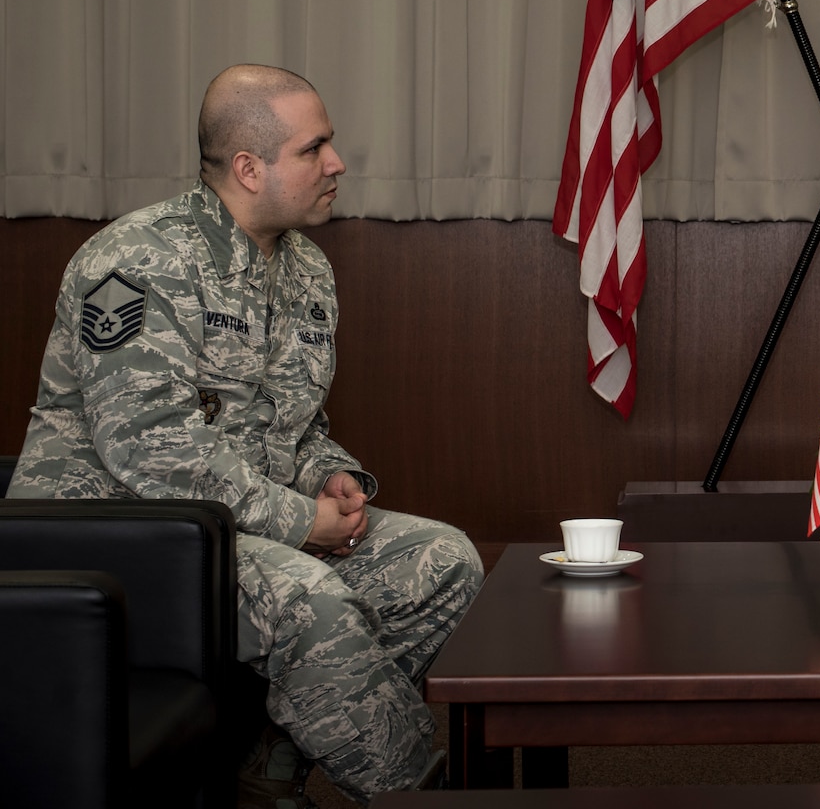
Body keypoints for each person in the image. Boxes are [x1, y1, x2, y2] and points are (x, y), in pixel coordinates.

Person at [7, 65, 483, 805]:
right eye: (314, 148)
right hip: (117, 533)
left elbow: (292, 425)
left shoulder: (307, 271)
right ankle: (417, 794)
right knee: (311, 599)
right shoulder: (138, 262)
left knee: (443, 560)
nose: (337, 163)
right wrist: (305, 523)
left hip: (235, 524)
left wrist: (328, 475)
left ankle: (269, 762)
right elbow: (150, 451)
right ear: (249, 168)